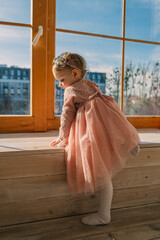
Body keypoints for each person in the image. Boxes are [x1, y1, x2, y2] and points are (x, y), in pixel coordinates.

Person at [51, 52, 140, 226]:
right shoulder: (90, 84)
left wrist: (63, 137)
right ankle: (131, 143)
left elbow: (67, 116)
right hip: (108, 119)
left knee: (102, 173)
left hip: (92, 128)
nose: (60, 85)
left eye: (61, 79)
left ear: (75, 73)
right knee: (118, 129)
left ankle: (103, 215)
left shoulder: (71, 90)